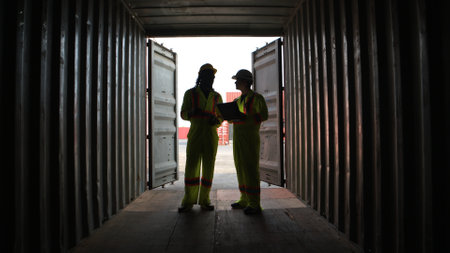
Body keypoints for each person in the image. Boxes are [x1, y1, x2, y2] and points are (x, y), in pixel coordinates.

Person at [178, 63, 223, 212]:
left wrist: (215, 121)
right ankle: (188, 201)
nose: (210, 78)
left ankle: (205, 200)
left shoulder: (217, 97)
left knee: (209, 169)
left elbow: (221, 117)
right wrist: (192, 112)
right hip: (196, 136)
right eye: (207, 75)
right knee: (191, 168)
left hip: (210, 137)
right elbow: (183, 114)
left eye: (212, 76)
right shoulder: (190, 94)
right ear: (200, 77)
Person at [229, 69, 268, 215]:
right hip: (239, 140)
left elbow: (264, 115)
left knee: (251, 171)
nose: (235, 82)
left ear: (245, 82)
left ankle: (254, 204)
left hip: (250, 139)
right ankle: (244, 199)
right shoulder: (237, 101)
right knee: (240, 169)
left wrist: (249, 118)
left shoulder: (257, 98)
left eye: (237, 80)